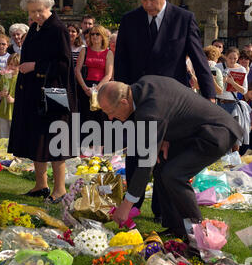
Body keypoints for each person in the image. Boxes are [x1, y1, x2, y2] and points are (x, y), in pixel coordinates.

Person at [114, 0, 216, 218]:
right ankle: (133, 207)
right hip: (138, 101)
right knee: (138, 155)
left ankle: (163, 210)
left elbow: (199, 60)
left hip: (174, 105)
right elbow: (122, 63)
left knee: (166, 158)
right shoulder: (130, 20)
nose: (148, 5)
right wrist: (122, 100)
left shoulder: (183, 18)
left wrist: (210, 97)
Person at [97, 79, 243, 237]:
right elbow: (172, 109)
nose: (111, 118)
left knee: (174, 174)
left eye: (110, 111)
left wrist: (127, 204)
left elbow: (146, 163)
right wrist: (163, 136)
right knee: (162, 168)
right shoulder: (142, 88)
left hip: (216, 133)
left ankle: (198, 234)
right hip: (197, 130)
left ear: (124, 102)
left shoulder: (149, 111)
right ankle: (176, 228)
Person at [8, 0, 77, 203]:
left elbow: (65, 63)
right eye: (32, 11)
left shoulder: (58, 29)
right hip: (33, 93)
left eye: (40, 10)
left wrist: (36, 66)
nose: (36, 15)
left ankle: (59, 190)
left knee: (55, 140)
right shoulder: (36, 29)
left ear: (48, 6)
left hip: (54, 93)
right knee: (36, 138)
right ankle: (41, 185)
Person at [75, 24, 114, 152]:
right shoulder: (84, 50)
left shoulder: (108, 53)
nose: (95, 36)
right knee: (85, 117)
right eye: (92, 34)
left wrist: (97, 89)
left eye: (98, 34)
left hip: (101, 88)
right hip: (85, 87)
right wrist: (85, 88)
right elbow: (77, 70)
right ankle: (84, 150)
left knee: (100, 118)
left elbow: (109, 74)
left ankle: (98, 150)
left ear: (103, 37)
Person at [216, 47, 249, 152]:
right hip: (219, 103)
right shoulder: (218, 67)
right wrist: (221, 81)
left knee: (234, 135)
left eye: (235, 58)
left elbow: (244, 91)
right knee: (220, 134)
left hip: (232, 104)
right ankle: (221, 158)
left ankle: (234, 160)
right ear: (225, 57)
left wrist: (232, 83)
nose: (232, 60)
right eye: (230, 58)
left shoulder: (241, 69)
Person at [0, 53, 20, 139]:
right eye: (10, 64)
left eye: (15, 65)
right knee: (3, 134)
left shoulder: (21, 78)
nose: (12, 67)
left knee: (14, 136)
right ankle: (3, 151)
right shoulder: (5, 76)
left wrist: (13, 99)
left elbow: (25, 97)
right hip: (3, 111)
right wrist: (0, 93)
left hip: (15, 111)